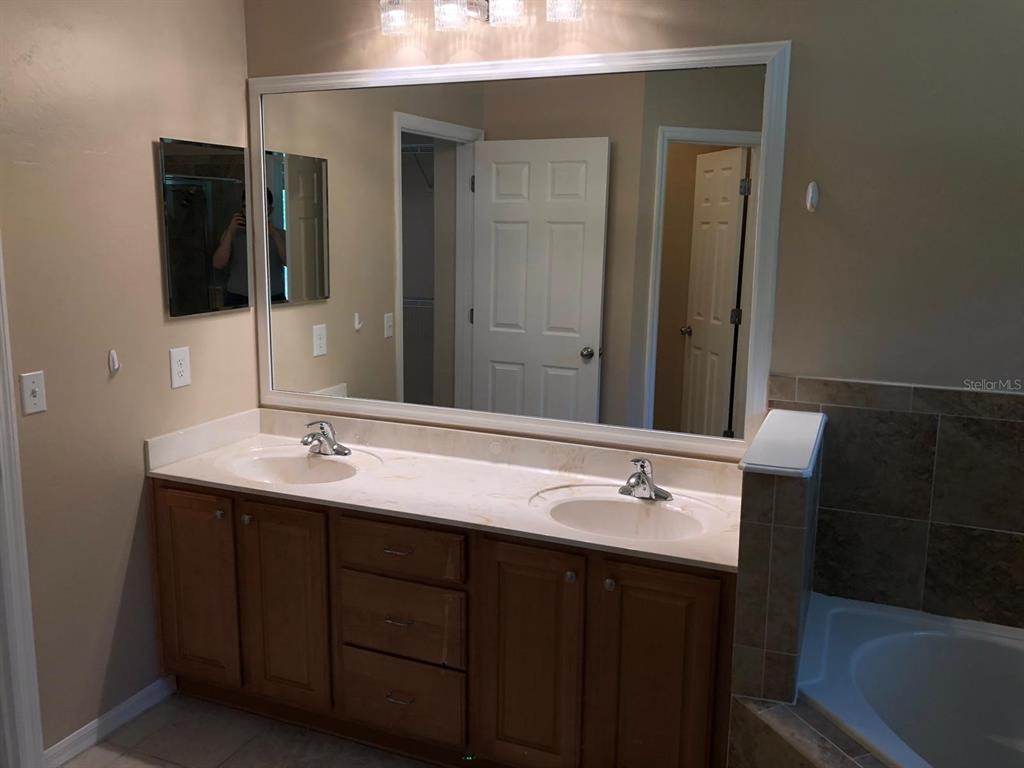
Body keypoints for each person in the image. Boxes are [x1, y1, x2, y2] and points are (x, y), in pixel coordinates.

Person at [213, 189, 288, 305]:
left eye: (260, 206)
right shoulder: (232, 234)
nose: (252, 211)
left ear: (269, 210)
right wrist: (230, 232)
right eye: (246, 207)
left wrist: (274, 235)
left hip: (273, 295)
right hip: (237, 296)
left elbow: (288, 263)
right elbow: (218, 264)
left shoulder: (280, 234)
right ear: (242, 209)